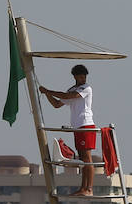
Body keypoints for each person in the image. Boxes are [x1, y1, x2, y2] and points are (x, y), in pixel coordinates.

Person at [39, 64, 97, 197]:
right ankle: (83, 188)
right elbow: (57, 104)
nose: (83, 78)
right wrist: (47, 93)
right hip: (78, 128)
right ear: (75, 76)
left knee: (87, 158)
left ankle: (89, 188)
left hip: (86, 125)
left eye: (85, 76)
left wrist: (49, 90)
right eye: (81, 76)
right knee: (82, 159)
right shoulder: (71, 89)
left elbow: (69, 96)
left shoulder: (86, 88)